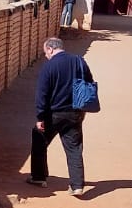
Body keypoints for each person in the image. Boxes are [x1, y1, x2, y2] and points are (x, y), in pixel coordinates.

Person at [27, 37, 94, 196]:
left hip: (54, 114)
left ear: (50, 49)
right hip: (75, 112)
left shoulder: (49, 67)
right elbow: (89, 81)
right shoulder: (79, 61)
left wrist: (40, 118)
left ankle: (39, 177)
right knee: (74, 148)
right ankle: (77, 185)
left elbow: (42, 95)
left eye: (45, 52)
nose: (46, 55)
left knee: (39, 139)